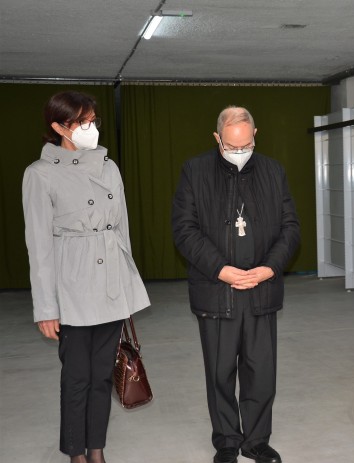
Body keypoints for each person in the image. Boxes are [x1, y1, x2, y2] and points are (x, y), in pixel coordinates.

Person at [22, 91, 150, 463]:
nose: (90, 128)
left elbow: (122, 230)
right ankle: (75, 453)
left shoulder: (109, 167)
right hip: (72, 289)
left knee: (100, 377)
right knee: (76, 378)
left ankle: (97, 450)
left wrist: (127, 287)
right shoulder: (39, 174)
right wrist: (46, 307)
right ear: (59, 127)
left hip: (110, 286)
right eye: (82, 123)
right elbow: (39, 247)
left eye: (93, 120)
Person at [172, 106, 300, 463]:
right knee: (220, 371)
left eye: (245, 145)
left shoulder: (273, 171)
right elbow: (184, 230)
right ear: (218, 139)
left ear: (255, 134)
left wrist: (270, 268)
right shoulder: (195, 171)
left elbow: (291, 228)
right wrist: (220, 269)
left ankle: (257, 441)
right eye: (231, 146)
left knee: (261, 372)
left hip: (261, 289)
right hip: (217, 291)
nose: (239, 152)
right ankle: (227, 440)